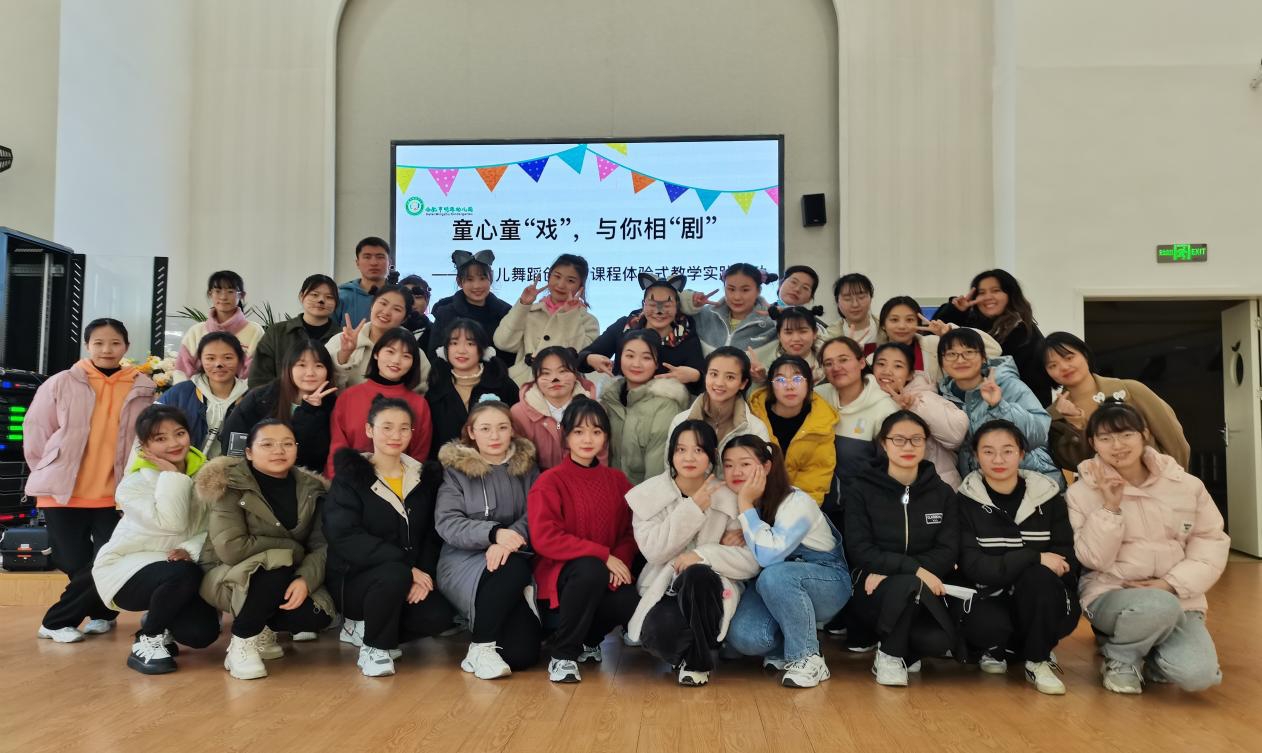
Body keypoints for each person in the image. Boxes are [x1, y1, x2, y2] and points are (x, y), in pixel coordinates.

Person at [1067, 402, 1228, 695]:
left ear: (1145, 434)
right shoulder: (1082, 492)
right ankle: (1121, 657)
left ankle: (1145, 648)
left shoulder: (1186, 485)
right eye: (1105, 438)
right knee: (1157, 605)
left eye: (1126, 435)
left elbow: (1211, 541)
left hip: (1178, 596)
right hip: (1111, 593)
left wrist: (1170, 584)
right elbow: (1093, 559)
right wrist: (1110, 507)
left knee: (1199, 676)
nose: (1117, 445)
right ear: (1092, 443)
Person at [24, 318, 155, 643]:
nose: (106, 349)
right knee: (71, 560)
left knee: (107, 560)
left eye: (114, 343)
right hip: (64, 490)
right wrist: (49, 468)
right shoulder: (61, 382)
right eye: (98, 343)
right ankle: (102, 612)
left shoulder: (143, 387)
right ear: (87, 346)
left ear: (126, 347)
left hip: (116, 493)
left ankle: (56, 622)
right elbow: (37, 429)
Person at [324, 398, 456, 677]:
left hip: (407, 576)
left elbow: (431, 534)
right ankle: (375, 648)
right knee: (394, 574)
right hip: (355, 580)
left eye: (404, 428)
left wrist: (423, 574)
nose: (395, 435)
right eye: (387, 427)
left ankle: (370, 629)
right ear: (369, 430)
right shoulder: (350, 477)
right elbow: (344, 535)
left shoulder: (423, 478)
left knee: (439, 616)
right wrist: (407, 569)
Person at [197, 420, 334, 680]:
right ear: (249, 452)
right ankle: (242, 640)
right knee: (277, 567)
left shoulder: (311, 489)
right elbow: (232, 548)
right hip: (227, 573)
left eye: (287, 444)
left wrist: (305, 579)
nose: (278, 451)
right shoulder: (230, 484)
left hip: (288, 572)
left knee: (313, 615)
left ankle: (263, 627)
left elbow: (321, 546)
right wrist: (292, 549)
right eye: (267, 444)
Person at [626, 421, 760, 686]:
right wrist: (693, 509)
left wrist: (702, 555)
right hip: (665, 588)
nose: (689, 458)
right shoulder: (648, 495)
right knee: (658, 634)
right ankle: (697, 652)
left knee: (698, 574)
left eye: (698, 450)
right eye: (681, 450)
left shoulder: (729, 496)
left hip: (712, 592)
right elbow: (654, 552)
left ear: (711, 454)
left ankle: (696, 663)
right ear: (671, 453)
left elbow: (750, 562)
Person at [955, 420, 1080, 695]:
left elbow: (1064, 560)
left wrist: (1028, 566)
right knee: (989, 621)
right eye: (988, 451)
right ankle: (1001, 648)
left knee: (1039, 578)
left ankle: (1037, 660)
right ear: (975, 455)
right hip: (989, 598)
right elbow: (973, 566)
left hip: (1042, 598)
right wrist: (1033, 557)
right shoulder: (964, 501)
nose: (998, 459)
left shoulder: (1048, 497)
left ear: (1022, 454)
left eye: (1007, 451)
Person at [92, 405, 219, 674]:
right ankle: (149, 638)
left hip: (182, 567)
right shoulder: (133, 484)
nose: (174, 443)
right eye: (161, 438)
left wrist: (189, 549)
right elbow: (172, 523)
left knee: (201, 634)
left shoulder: (208, 477)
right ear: (145, 446)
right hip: (127, 569)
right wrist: (172, 475)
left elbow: (215, 528)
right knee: (182, 573)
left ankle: (160, 616)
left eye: (179, 433)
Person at [723, 435, 850, 688]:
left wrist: (746, 506)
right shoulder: (737, 501)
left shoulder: (795, 502)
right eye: (728, 465)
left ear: (767, 467)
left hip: (826, 583)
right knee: (746, 636)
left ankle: (807, 657)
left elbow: (769, 555)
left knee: (775, 575)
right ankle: (786, 645)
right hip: (772, 586)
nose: (736, 472)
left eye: (745, 464)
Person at [844, 411, 960, 687]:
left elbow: (948, 550)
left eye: (916, 439)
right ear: (884, 444)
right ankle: (890, 655)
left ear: (926, 444)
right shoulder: (862, 489)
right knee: (907, 585)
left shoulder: (942, 492)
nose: (908, 446)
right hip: (872, 590)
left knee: (937, 640)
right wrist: (913, 570)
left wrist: (902, 571)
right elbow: (860, 550)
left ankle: (905, 647)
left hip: (925, 590)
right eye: (899, 439)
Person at [527, 398, 638, 683]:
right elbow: (545, 538)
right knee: (590, 568)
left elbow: (631, 530)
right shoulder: (550, 481)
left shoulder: (617, 481)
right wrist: (603, 555)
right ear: (565, 436)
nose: (588, 440)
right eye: (578, 432)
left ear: (606, 437)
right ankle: (562, 656)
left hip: (603, 571)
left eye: (596, 432)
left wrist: (619, 561)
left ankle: (590, 640)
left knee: (628, 599)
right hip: (563, 576)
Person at [435, 401, 542, 679]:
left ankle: (486, 638)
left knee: (522, 655)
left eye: (502, 428)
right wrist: (494, 534)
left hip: (512, 551)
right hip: (463, 560)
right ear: (471, 432)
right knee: (514, 567)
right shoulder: (455, 471)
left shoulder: (528, 469)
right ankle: (481, 648)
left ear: (512, 431)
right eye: (485, 429)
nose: (494, 436)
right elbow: (447, 522)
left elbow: (536, 514)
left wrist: (508, 540)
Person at [1042, 331, 1189, 471]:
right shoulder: (1052, 416)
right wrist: (1075, 423)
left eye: (1069, 358)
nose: (1064, 367)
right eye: (1053, 365)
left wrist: (1175, 479)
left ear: (1085, 354)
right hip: (1103, 487)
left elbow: (1174, 440)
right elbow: (1077, 464)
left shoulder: (1131, 390)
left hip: (1157, 482)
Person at [936, 328, 1060, 484]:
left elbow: (1040, 433)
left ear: (983, 357)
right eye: (951, 354)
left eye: (969, 352)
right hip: (981, 488)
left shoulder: (1008, 385)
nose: (960, 360)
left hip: (1032, 479)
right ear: (941, 362)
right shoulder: (942, 397)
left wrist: (999, 406)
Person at [933, 269, 1053, 405]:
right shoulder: (970, 323)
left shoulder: (1023, 332)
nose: (988, 297)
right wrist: (956, 311)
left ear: (1010, 295)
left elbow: (1036, 386)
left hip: (1008, 407)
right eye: (982, 293)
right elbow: (933, 333)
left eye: (995, 290)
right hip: (964, 406)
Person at [325, 328, 432, 477]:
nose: (396, 360)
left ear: (413, 363)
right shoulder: (349, 396)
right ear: (376, 353)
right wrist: (337, 484)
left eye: (406, 356)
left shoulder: (419, 404)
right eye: (390, 352)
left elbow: (418, 456)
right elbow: (337, 449)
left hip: (398, 485)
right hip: (349, 483)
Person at [220, 340, 337, 473]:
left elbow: (312, 457)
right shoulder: (260, 398)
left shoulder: (334, 407)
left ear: (328, 370)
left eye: (318, 365)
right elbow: (234, 443)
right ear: (288, 368)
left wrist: (309, 412)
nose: (310, 372)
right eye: (301, 365)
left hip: (306, 481)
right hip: (252, 477)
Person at [579, 273, 705, 394]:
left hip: (665, 405)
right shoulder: (625, 327)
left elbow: (703, 382)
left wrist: (695, 376)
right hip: (621, 403)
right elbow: (579, 360)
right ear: (643, 304)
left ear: (676, 307)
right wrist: (589, 359)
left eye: (667, 305)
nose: (659, 311)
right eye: (652, 304)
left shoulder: (686, 336)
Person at [814, 336, 897, 512]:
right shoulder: (817, 397)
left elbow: (892, 470)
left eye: (843, 360)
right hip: (817, 505)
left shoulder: (884, 408)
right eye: (828, 363)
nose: (836, 367)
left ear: (861, 362)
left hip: (862, 509)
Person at [870, 342, 969, 488]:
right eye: (881, 364)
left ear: (910, 374)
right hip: (893, 491)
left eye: (897, 366)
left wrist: (914, 406)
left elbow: (956, 435)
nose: (887, 371)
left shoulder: (923, 397)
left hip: (938, 488)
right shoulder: (869, 402)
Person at [599, 331, 691, 485]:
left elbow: (656, 474)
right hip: (606, 492)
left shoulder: (666, 406)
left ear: (657, 363)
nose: (636, 364)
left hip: (642, 495)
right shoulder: (608, 399)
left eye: (646, 358)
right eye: (630, 355)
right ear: (619, 358)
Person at [494, 253, 599, 386]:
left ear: (580, 286)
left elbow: (580, 358)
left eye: (570, 281)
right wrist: (523, 305)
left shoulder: (588, 321)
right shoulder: (529, 312)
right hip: (523, 387)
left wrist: (570, 317)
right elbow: (503, 343)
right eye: (557, 276)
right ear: (549, 277)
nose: (561, 285)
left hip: (564, 389)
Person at [749, 355, 838, 504]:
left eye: (797, 379)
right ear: (771, 385)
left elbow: (816, 478)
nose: (789, 386)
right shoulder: (754, 415)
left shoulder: (821, 422)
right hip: (754, 499)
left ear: (809, 384)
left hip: (799, 506)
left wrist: (797, 512)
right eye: (780, 380)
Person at [665, 346, 770, 470]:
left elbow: (761, 474)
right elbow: (671, 469)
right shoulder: (681, 421)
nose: (719, 383)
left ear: (743, 383)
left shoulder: (755, 428)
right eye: (714, 374)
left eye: (730, 377)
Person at [426, 318, 519, 458]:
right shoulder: (436, 388)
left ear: (482, 349)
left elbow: (517, 430)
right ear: (445, 349)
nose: (461, 350)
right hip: (449, 466)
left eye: (470, 344)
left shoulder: (503, 385)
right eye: (454, 343)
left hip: (498, 464)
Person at [158, 332, 249, 459]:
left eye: (228, 358)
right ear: (200, 360)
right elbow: (149, 431)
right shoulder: (179, 394)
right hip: (185, 469)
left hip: (237, 470)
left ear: (239, 359)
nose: (219, 364)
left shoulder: (252, 397)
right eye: (210, 358)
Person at [873, 295, 1001, 384]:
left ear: (919, 323)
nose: (902, 326)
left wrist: (951, 332)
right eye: (894, 320)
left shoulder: (935, 344)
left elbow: (994, 350)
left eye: (910, 320)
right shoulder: (872, 357)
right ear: (883, 324)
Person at [509, 346, 600, 470]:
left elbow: (601, 456)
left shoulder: (596, 410)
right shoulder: (519, 413)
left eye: (562, 371)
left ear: (575, 374)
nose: (555, 379)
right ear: (535, 379)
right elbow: (519, 460)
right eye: (546, 373)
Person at [327, 284, 430, 392]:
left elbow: (421, 392)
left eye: (397, 309)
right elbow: (324, 385)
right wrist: (343, 355)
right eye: (383, 303)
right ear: (372, 305)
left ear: (404, 318)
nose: (386, 312)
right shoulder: (341, 340)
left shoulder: (413, 352)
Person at [248, 274, 339, 389]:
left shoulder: (342, 337)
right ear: (302, 296)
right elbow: (258, 379)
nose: (321, 300)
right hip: (279, 399)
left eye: (329, 297)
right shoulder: (276, 332)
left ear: (336, 303)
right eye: (314, 295)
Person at [173, 271, 265, 382]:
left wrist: (236, 392)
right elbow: (181, 371)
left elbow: (256, 372)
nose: (223, 297)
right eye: (217, 291)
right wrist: (192, 392)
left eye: (230, 291)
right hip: (197, 392)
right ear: (210, 294)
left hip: (243, 392)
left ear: (241, 295)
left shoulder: (254, 331)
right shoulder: (196, 331)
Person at [430, 249, 514, 371]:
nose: (477, 286)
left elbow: (512, 353)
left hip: (499, 380)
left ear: (490, 278)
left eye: (482, 278)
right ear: (459, 282)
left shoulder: (505, 312)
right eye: (470, 280)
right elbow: (435, 357)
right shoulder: (445, 314)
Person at [684, 263, 777, 353]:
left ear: (758, 291)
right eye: (731, 289)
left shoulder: (772, 322)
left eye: (745, 290)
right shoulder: (704, 315)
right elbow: (676, 305)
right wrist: (690, 301)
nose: (737, 297)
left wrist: (782, 317)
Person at [749, 305, 825, 387]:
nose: (796, 339)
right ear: (779, 335)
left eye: (803, 331)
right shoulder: (766, 364)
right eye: (788, 333)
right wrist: (763, 380)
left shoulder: (827, 359)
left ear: (814, 333)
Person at [333, 236, 392, 328]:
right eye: (367, 257)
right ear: (357, 263)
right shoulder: (340, 296)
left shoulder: (400, 296)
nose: (374, 263)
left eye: (380, 257)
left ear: (390, 263)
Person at [824, 273, 878, 348]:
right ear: (837, 302)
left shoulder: (886, 327)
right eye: (847, 299)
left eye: (861, 297)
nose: (855, 304)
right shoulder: (828, 337)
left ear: (871, 298)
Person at [399, 273, 434, 352]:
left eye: (417, 297)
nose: (412, 302)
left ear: (427, 300)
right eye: (406, 297)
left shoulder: (437, 332)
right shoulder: (387, 329)